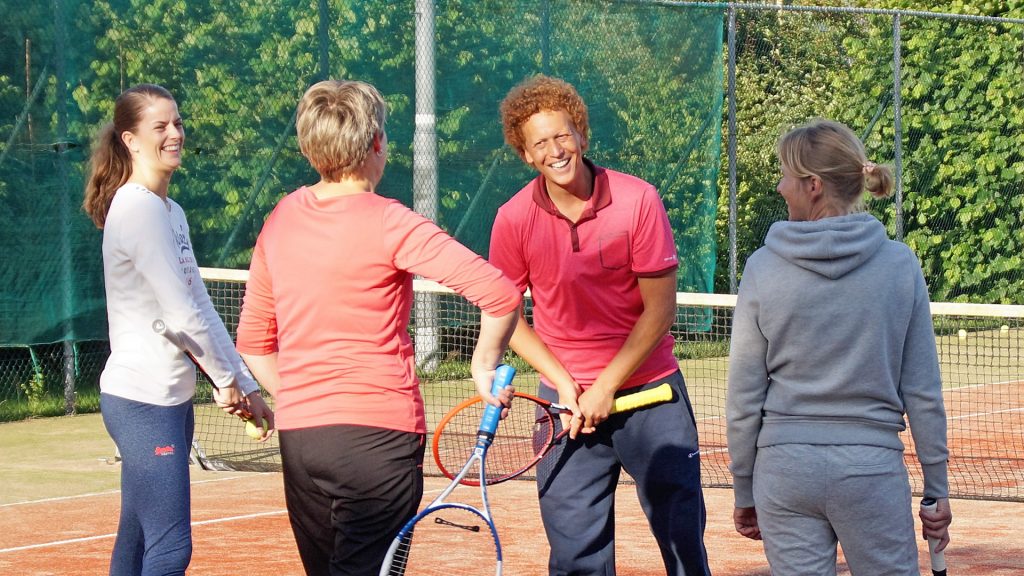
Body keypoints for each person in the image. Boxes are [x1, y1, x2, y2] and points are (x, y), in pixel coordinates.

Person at [234, 79, 521, 576]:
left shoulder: (281, 218)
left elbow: (253, 345)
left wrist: (302, 398)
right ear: (378, 143)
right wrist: (483, 365)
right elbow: (500, 295)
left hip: (302, 440)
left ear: (308, 147)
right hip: (378, 440)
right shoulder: (392, 221)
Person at [489, 74, 712, 576]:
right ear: (525, 155)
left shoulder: (638, 201)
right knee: (575, 560)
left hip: (651, 398)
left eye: (562, 135)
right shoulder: (512, 218)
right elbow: (505, 313)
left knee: (684, 548)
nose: (555, 150)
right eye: (540, 143)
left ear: (582, 135)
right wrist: (566, 384)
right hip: (563, 408)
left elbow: (660, 311)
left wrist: (605, 385)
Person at [726, 118, 953, 575]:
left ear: (812, 186)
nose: (779, 185)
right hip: (870, 470)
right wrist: (937, 487)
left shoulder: (762, 268)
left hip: (784, 471)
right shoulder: (899, 265)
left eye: (786, 174)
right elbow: (923, 390)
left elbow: (744, 395)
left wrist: (745, 488)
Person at [83, 83, 275, 576]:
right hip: (141, 402)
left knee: (137, 540)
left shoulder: (171, 212)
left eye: (178, 123)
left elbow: (201, 308)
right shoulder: (138, 208)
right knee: (170, 550)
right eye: (160, 126)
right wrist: (226, 384)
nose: (175, 134)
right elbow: (179, 316)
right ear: (130, 140)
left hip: (171, 401)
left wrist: (244, 384)